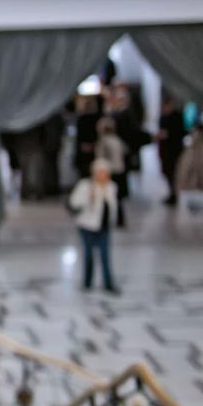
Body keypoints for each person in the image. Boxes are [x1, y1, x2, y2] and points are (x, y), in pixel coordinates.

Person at [69, 160, 119, 294]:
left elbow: (112, 207)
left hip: (104, 227)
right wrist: (88, 198)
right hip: (87, 226)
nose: (104, 175)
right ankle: (87, 282)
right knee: (89, 255)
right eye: (101, 172)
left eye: (106, 172)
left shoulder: (111, 187)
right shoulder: (86, 185)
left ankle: (108, 283)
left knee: (105, 255)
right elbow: (74, 202)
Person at [95, 116, 128, 228]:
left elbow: (101, 159)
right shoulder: (117, 139)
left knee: (106, 196)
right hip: (120, 170)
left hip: (109, 172)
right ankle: (120, 219)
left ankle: (104, 220)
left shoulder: (103, 141)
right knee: (117, 197)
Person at [156, 98, 187, 205]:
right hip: (165, 150)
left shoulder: (177, 116)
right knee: (168, 173)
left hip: (174, 150)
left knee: (174, 173)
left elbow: (181, 132)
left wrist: (168, 134)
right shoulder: (163, 117)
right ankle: (172, 193)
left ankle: (174, 194)